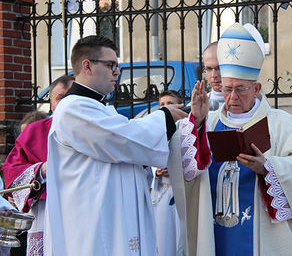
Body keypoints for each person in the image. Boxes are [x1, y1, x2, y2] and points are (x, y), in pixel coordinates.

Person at [170, 23, 292, 256]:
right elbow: (184, 169)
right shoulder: (208, 123)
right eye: (228, 89)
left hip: (265, 235)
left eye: (240, 89)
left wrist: (268, 167)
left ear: (257, 88)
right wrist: (197, 123)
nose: (232, 97)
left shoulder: (281, 123)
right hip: (216, 227)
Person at [44, 35, 187, 256]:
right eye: (111, 64)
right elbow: (123, 139)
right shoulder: (73, 109)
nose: (117, 71)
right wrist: (166, 117)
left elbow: (127, 147)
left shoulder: (100, 108)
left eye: (117, 65)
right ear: (87, 66)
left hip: (113, 219)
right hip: (94, 228)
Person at [2, 75, 74, 256]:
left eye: (70, 97)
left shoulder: (98, 127)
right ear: (51, 102)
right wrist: (41, 170)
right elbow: (11, 170)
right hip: (46, 211)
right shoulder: (35, 131)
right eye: (60, 98)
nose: (65, 103)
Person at [151, 90, 183, 256]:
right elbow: (145, 159)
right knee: (163, 239)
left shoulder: (185, 130)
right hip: (161, 195)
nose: (165, 108)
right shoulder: (154, 131)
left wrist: (175, 169)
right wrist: (156, 171)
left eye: (170, 103)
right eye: (162, 104)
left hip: (180, 194)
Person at [203, 42, 225, 110]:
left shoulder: (248, 104)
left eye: (219, 68)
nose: (214, 75)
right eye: (209, 69)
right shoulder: (197, 107)